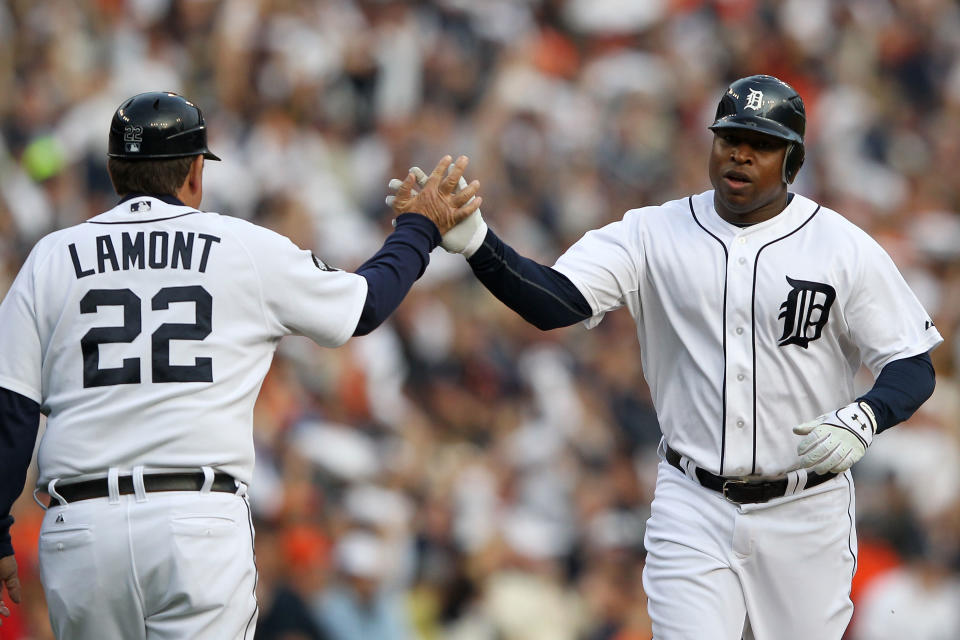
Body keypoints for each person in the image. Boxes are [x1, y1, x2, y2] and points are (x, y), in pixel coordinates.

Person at [391, 75, 942, 638]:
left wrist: (866, 415)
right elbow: (554, 303)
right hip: (693, 500)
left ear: (793, 161)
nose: (741, 154)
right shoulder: (652, 232)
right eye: (729, 138)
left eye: (762, 143)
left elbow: (913, 362)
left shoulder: (840, 245)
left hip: (806, 509)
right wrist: (482, 245)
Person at [0, 90, 480, 639]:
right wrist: (419, 228)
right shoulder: (240, 247)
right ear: (195, 175)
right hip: (194, 523)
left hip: (80, 529)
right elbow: (363, 306)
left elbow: (11, 409)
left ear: (114, 170)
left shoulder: (51, 257)